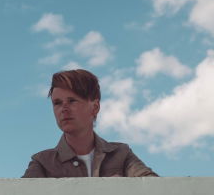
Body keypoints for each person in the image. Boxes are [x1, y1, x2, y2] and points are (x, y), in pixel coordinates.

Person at [23, 69, 157, 178]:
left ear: (95, 107)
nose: (64, 109)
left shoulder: (121, 154)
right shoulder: (43, 163)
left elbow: (155, 187)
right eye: (57, 103)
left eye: (72, 101)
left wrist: (121, 188)